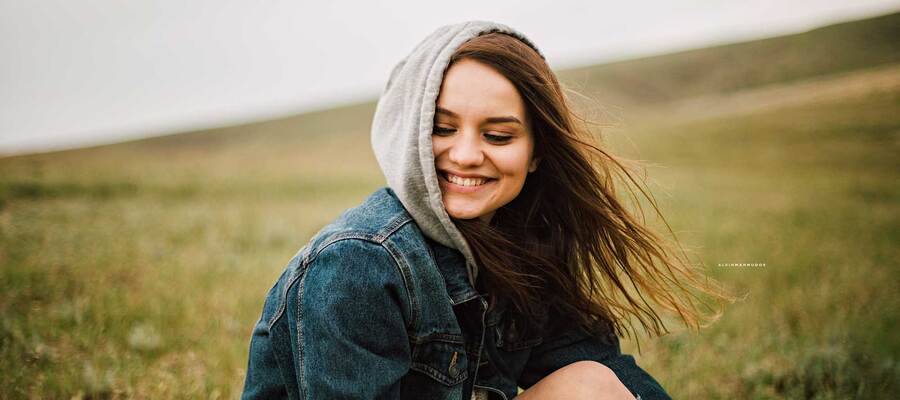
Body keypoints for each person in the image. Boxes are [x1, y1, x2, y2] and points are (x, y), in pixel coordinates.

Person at [241, 20, 732, 400]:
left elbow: (609, 377)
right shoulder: (358, 263)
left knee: (591, 383)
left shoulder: (522, 247)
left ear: (537, 152)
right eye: (442, 128)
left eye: (498, 135)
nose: (468, 154)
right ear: (406, 132)